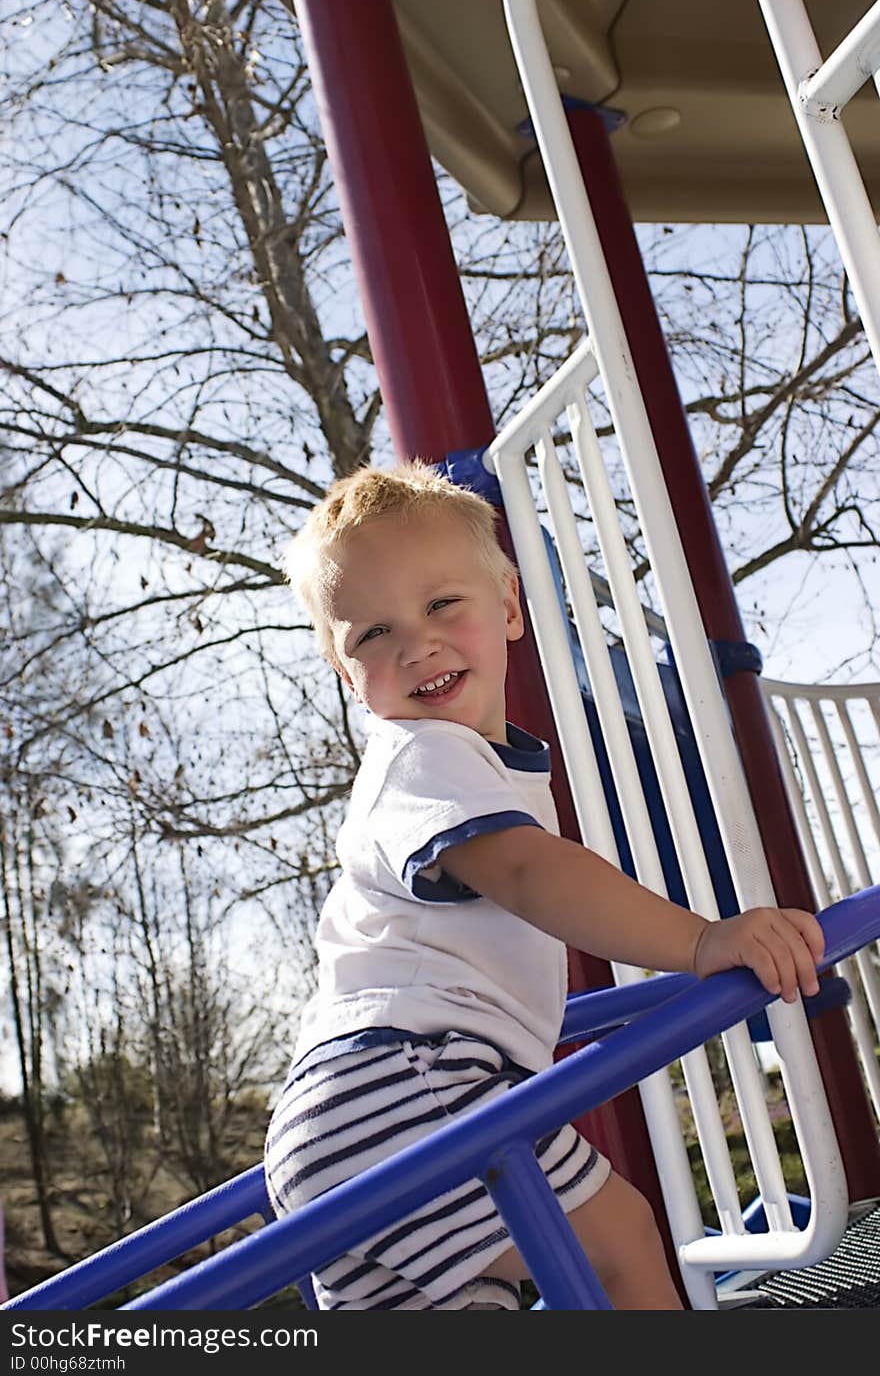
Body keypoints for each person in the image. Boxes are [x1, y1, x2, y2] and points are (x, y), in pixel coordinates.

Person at [264, 461, 824, 1311]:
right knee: (621, 1242)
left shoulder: (475, 766)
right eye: (372, 635)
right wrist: (702, 941)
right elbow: (529, 872)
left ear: (511, 608)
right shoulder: (423, 756)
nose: (416, 644)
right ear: (349, 676)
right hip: (406, 1082)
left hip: (348, 1122)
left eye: (441, 604)